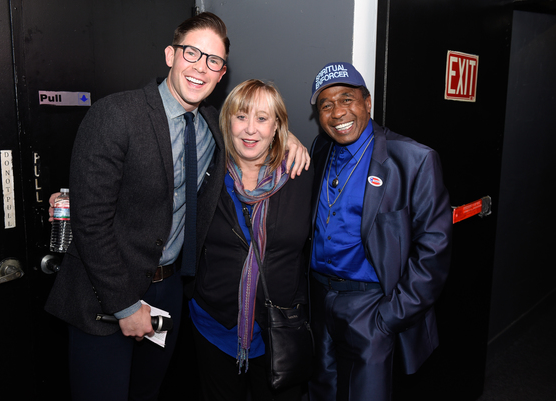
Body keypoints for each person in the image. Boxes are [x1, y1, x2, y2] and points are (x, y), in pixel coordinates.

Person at [44, 13, 309, 401]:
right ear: (171, 55)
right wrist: (124, 305)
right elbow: (91, 223)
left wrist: (291, 141)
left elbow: (253, 132)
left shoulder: (211, 131)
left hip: (167, 295)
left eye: (213, 61)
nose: (201, 67)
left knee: (147, 393)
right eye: (192, 53)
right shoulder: (116, 114)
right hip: (104, 298)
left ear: (221, 75)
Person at [307, 62, 452, 401]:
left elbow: (435, 250)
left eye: (347, 99)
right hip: (319, 300)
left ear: (367, 103)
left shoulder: (413, 159)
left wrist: (389, 317)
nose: (338, 111)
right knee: (320, 392)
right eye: (326, 105)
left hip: (371, 306)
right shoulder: (319, 149)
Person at [187, 79, 313, 401]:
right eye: (241, 116)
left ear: (277, 127)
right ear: (228, 121)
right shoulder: (208, 170)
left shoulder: (301, 175)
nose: (250, 130)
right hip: (214, 326)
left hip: (278, 331)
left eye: (262, 118)